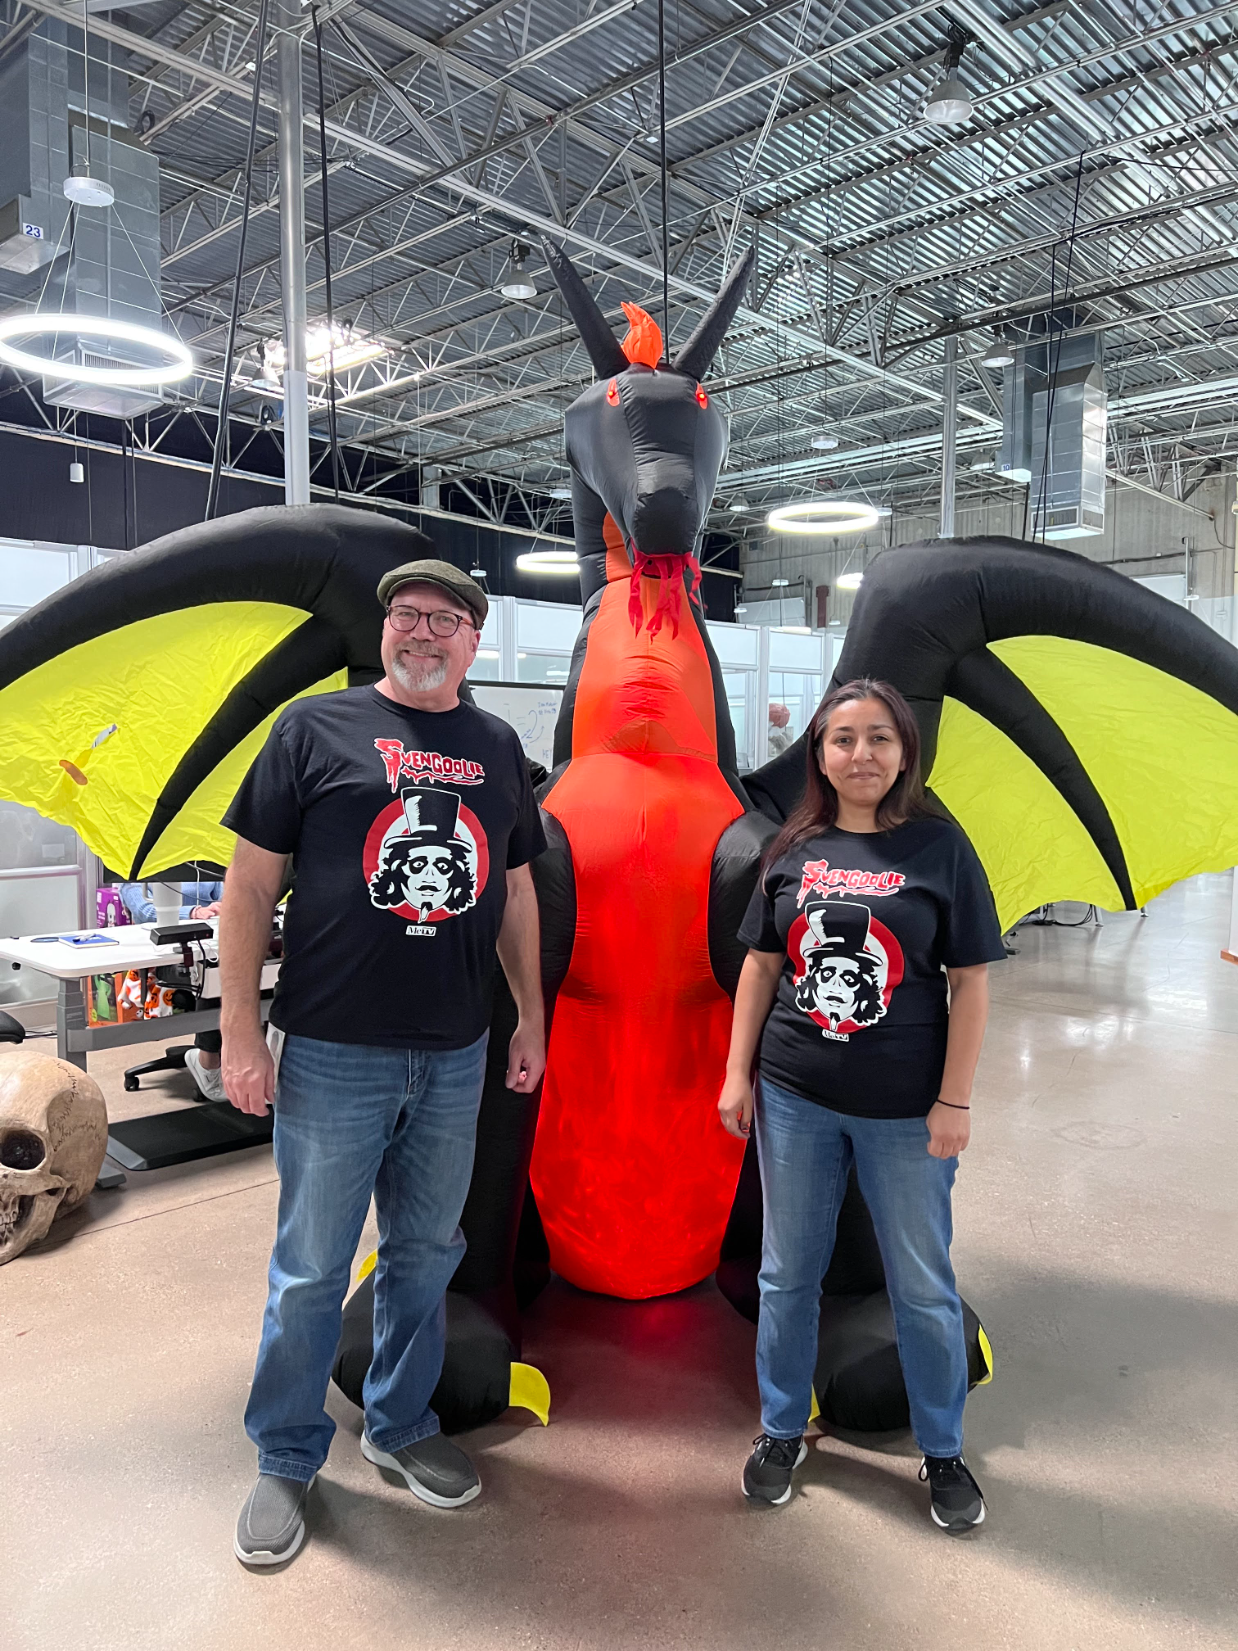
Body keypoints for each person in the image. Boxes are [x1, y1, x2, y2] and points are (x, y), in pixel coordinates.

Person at [219, 556, 546, 1568]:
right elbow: (248, 886)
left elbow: (515, 890)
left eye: (446, 619)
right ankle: (286, 1453)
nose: (423, 631)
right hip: (331, 1050)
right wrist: (239, 1029)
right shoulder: (313, 730)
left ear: (473, 641)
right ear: (385, 628)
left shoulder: (497, 747)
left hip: (454, 1051)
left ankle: (400, 1423)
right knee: (311, 1268)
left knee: (425, 1252)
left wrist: (530, 1015)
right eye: (408, 613)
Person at [717, 677, 1004, 1533]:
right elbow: (763, 965)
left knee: (922, 1283)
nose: (862, 754)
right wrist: (737, 1073)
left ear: (905, 751)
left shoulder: (940, 848)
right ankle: (780, 1429)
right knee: (786, 1273)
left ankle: (942, 1448)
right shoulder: (793, 848)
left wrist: (954, 1098)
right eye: (843, 738)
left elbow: (971, 982)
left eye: (880, 737)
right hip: (796, 1096)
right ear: (820, 752)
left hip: (907, 1110)